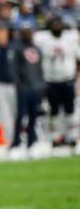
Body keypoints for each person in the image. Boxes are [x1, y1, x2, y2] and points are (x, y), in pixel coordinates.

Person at [33, 15, 79, 148]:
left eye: (58, 24)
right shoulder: (43, 39)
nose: (56, 26)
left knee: (69, 110)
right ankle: (56, 136)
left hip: (68, 79)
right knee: (54, 111)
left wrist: (77, 77)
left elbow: (78, 58)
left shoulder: (70, 38)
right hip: (51, 80)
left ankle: (71, 136)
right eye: (53, 24)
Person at [10, 26, 46, 156]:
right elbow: (13, 69)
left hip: (36, 88)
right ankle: (16, 144)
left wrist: (42, 85)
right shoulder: (16, 48)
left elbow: (40, 68)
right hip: (24, 88)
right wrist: (18, 84)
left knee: (33, 116)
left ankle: (31, 143)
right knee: (20, 117)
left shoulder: (36, 48)